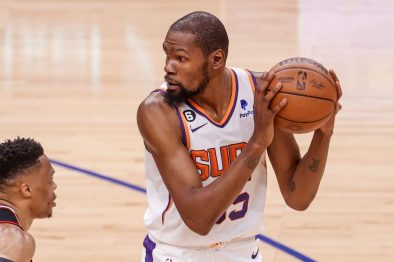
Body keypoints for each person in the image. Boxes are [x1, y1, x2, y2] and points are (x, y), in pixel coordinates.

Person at [137, 11, 342, 261]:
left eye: (180, 58)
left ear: (216, 59)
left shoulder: (261, 94)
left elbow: (297, 196)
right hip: (178, 254)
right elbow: (198, 219)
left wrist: (323, 134)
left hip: (243, 251)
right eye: (167, 55)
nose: (168, 67)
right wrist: (256, 144)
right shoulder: (158, 111)